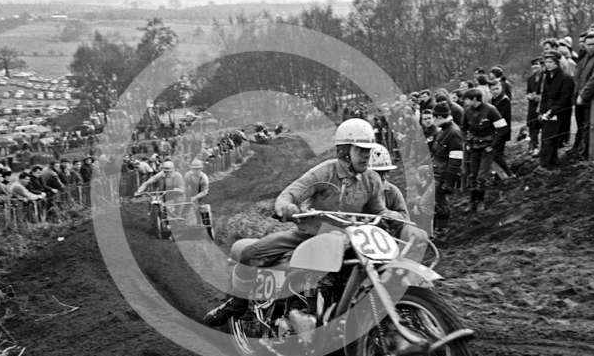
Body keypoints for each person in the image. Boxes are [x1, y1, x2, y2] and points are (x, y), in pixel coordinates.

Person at [202, 118, 404, 327]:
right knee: (250, 254)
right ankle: (237, 303)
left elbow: (378, 210)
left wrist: (393, 215)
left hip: (350, 241)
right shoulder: (324, 172)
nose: (366, 155)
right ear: (344, 150)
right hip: (310, 236)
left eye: (368, 150)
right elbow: (291, 193)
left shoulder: (371, 180)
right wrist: (286, 206)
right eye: (361, 149)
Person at [462, 89, 509, 212]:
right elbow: (463, 129)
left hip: (487, 148)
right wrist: (467, 142)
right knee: (473, 175)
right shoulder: (467, 111)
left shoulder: (491, 110)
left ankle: (480, 201)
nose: (465, 101)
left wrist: (493, 145)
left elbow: (503, 129)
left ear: (474, 99)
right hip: (473, 147)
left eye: (467, 99)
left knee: (481, 177)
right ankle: (472, 202)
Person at [430, 102, 463, 240]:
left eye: (434, 117)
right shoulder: (445, 130)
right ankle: (434, 230)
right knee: (434, 202)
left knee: (440, 203)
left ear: (438, 117)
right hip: (438, 172)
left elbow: (455, 161)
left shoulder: (453, 132)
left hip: (443, 175)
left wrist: (448, 182)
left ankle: (441, 231)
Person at [537, 51, 575, 171]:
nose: (547, 65)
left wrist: (551, 111)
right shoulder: (547, 76)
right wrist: (541, 112)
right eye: (546, 62)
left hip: (560, 111)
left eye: (550, 62)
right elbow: (545, 95)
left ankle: (544, 164)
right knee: (546, 136)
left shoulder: (566, 77)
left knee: (549, 137)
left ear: (557, 63)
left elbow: (565, 99)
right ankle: (553, 162)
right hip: (548, 111)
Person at [489, 79, 513, 178]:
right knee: (497, 153)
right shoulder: (494, 99)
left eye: (497, 89)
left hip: (502, 130)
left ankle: (509, 174)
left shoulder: (504, 99)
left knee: (497, 154)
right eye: (492, 89)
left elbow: (501, 115)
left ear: (501, 88)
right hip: (496, 130)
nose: (495, 91)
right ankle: (499, 176)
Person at [521, 58, 544, 154]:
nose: (534, 66)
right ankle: (534, 145)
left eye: (536, 64)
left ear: (542, 65)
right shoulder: (530, 79)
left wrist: (540, 97)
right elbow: (528, 90)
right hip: (532, 105)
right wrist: (528, 95)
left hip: (542, 105)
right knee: (532, 126)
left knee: (544, 126)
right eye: (533, 64)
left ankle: (542, 147)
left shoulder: (545, 77)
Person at [184, 158, 210, 224]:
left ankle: (201, 222)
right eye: (194, 169)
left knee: (199, 208)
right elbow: (185, 186)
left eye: (198, 169)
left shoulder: (204, 178)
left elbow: (204, 191)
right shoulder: (188, 175)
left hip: (202, 195)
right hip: (192, 192)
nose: (196, 171)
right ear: (192, 169)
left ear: (201, 169)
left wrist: (195, 197)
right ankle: (184, 221)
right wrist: (186, 196)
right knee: (184, 206)